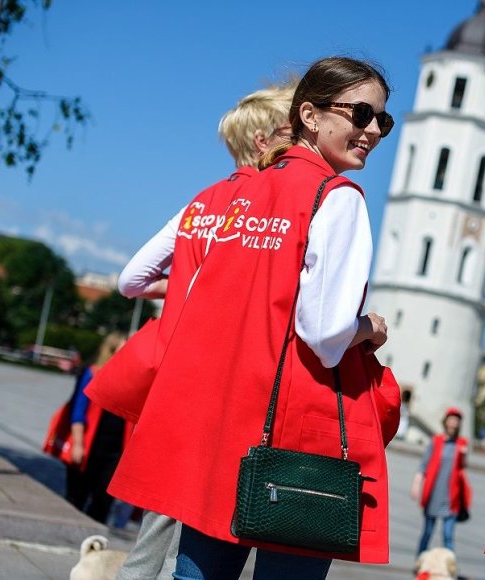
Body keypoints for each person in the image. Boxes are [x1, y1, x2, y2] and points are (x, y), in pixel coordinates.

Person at [107, 56, 397, 580]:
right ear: (309, 115)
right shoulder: (337, 199)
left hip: (218, 427)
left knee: (195, 573)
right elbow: (324, 333)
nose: (373, 130)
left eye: (383, 119)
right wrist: (368, 328)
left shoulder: (230, 197)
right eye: (360, 114)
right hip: (290, 436)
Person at [103, 83, 297, 580]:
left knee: (154, 530)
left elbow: (130, 280)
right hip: (222, 388)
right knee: (193, 540)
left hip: (172, 384)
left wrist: (181, 287)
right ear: (263, 142)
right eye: (291, 135)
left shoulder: (201, 203)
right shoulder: (265, 211)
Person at [63, 332, 127, 524]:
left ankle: (94, 543)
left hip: (114, 453)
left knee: (103, 502)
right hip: (89, 447)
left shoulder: (128, 380)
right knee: (76, 498)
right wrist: (78, 444)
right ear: (111, 351)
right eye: (124, 349)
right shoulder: (92, 373)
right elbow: (78, 411)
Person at [411, 407, 471, 555]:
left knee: (448, 536)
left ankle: (449, 569)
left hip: (452, 497)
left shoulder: (462, 443)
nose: (453, 423)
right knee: (427, 532)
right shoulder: (436, 441)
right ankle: (420, 563)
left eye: (456, 420)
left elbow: (462, 467)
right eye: (451, 420)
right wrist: (416, 484)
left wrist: (464, 455)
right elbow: (424, 465)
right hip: (433, 495)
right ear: (446, 422)